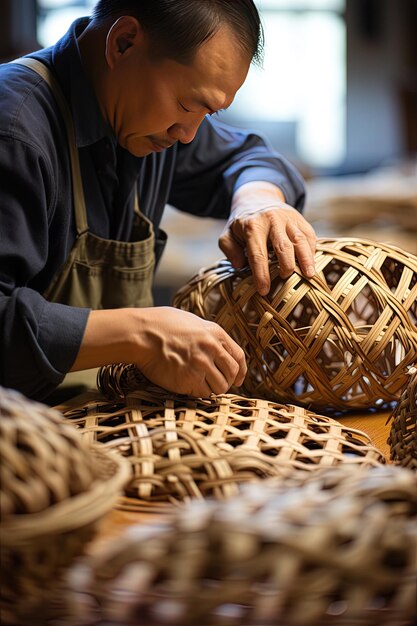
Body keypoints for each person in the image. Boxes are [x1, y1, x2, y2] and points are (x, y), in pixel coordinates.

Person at [0, 0, 316, 401]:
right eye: (188, 105)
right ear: (124, 43)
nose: (188, 135)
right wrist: (142, 333)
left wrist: (258, 199)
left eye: (208, 114)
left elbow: (250, 156)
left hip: (101, 417)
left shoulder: (145, 114)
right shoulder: (14, 131)